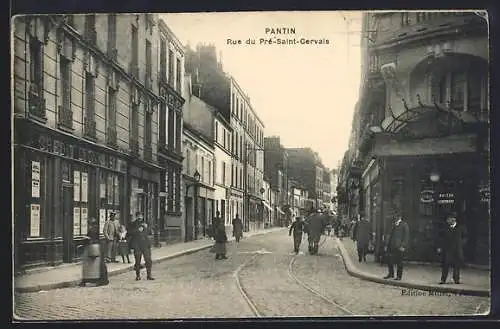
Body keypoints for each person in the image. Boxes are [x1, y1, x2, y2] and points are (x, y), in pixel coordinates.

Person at [437, 213, 467, 284]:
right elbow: (441, 238)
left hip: (457, 249)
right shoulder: (445, 228)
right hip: (447, 249)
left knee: (457, 265)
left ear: (453, 219)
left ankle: (456, 279)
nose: (447, 221)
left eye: (448, 219)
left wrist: (461, 244)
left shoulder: (461, 228)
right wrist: (440, 247)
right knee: (445, 264)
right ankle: (443, 279)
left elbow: (465, 237)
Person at [80, 218, 109, 286]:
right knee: (94, 266)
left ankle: (100, 280)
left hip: (93, 249)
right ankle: (100, 280)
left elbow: (92, 239)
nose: (89, 225)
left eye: (89, 224)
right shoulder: (94, 230)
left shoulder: (93, 230)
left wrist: (86, 240)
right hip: (95, 248)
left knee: (94, 266)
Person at [383, 214, 410, 280]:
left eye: (397, 217)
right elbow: (389, 235)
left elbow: (406, 237)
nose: (395, 218)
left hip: (399, 246)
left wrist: (403, 246)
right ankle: (391, 274)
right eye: (394, 217)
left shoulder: (404, 225)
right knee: (389, 260)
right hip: (391, 246)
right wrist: (386, 245)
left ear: (400, 217)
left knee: (399, 262)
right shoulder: (393, 225)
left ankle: (399, 276)